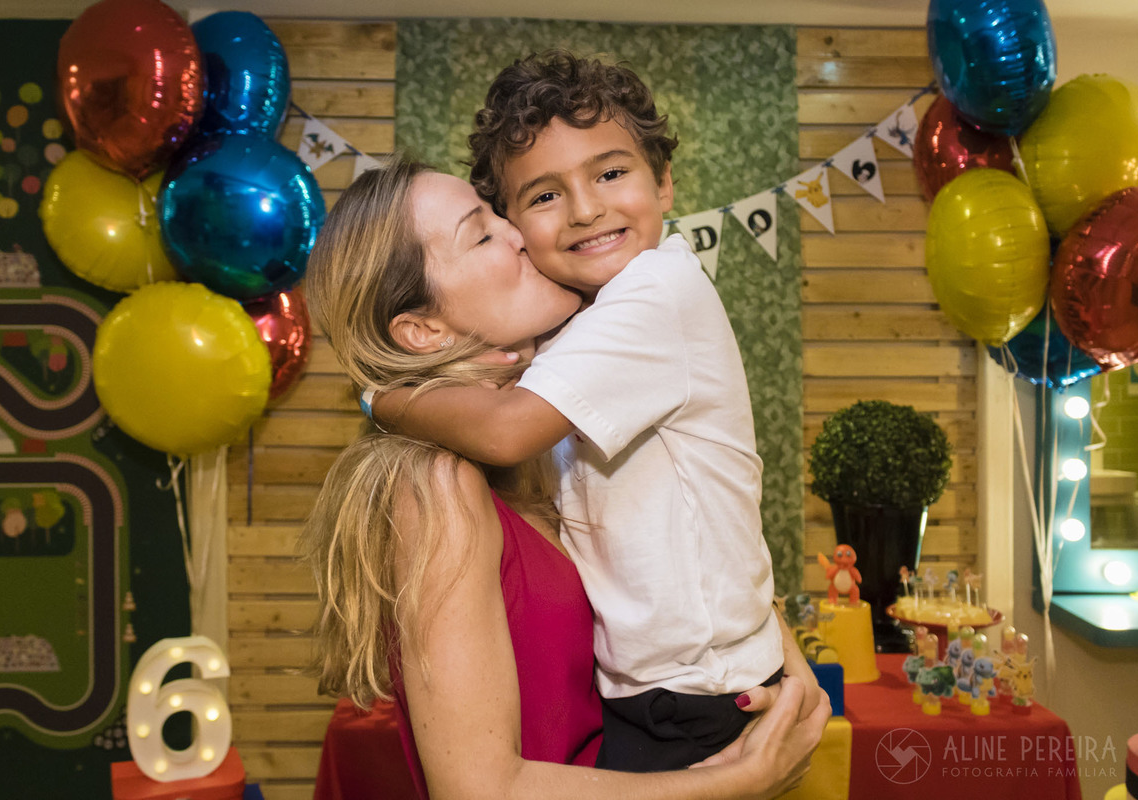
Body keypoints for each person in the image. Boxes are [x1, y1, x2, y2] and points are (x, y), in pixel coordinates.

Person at [302, 159, 828, 800]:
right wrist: (741, 781)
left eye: (499, 212)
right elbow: (479, 790)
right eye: (483, 233)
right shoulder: (437, 486)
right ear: (424, 330)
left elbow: (684, 542)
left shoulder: (540, 442)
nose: (517, 230)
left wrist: (771, 656)